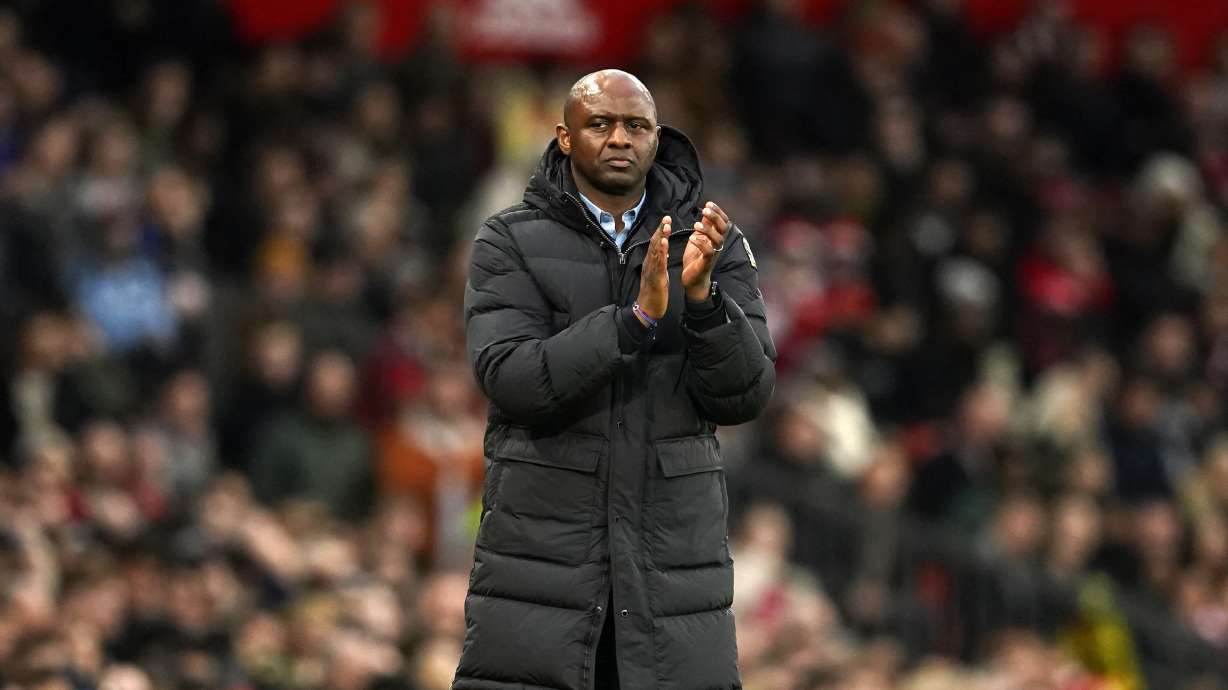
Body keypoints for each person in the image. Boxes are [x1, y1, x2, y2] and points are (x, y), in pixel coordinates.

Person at [454, 70, 776, 690]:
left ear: (657, 139)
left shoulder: (710, 240)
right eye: (600, 124)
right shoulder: (508, 239)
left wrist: (704, 302)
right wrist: (635, 321)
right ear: (565, 137)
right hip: (542, 572)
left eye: (637, 126)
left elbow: (746, 392)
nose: (620, 138)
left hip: (672, 573)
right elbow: (511, 376)